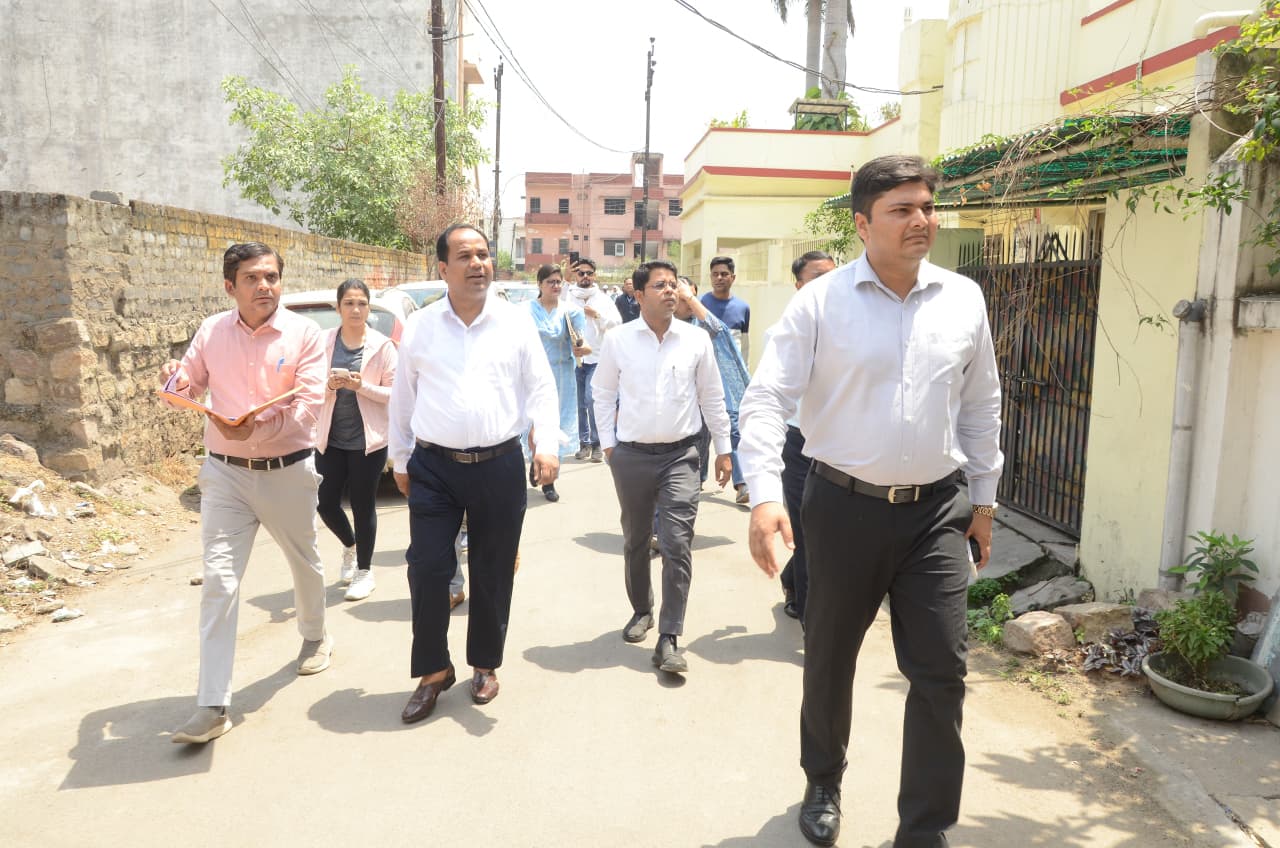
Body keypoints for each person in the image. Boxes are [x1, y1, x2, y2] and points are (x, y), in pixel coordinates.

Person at [738, 155, 1003, 848]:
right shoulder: (820, 303)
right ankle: (823, 780)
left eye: (927, 207)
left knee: (942, 670)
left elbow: (982, 405)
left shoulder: (963, 299)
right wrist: (764, 496)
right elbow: (766, 399)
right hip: (842, 507)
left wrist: (984, 503)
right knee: (830, 657)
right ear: (863, 224)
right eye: (902, 210)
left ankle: (925, 826)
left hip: (936, 513)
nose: (921, 221)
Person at [159, 242, 330, 745]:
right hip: (225, 476)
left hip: (287, 472)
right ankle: (212, 704)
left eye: (271, 277)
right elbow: (186, 387)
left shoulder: (305, 334)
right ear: (229, 286)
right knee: (219, 580)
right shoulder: (212, 331)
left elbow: (309, 405)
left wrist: (261, 426)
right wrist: (173, 384)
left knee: (304, 561)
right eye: (252, 278)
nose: (264, 286)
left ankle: (315, 635)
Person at [389, 224, 559, 724]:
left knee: (492, 569)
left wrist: (547, 445)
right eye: (465, 256)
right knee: (427, 568)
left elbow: (541, 387)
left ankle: (484, 664)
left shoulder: (514, 323)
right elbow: (403, 398)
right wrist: (401, 458)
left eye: (483, 254)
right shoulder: (421, 326)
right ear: (443, 268)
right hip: (434, 467)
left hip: (499, 464)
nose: (478, 263)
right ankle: (433, 670)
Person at [592, 260, 732, 676]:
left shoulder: (695, 340)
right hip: (631, 456)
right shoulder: (618, 340)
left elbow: (712, 396)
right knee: (636, 540)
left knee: (676, 543)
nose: (671, 291)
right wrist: (609, 445)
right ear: (639, 295)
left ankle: (669, 636)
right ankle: (642, 610)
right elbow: (602, 393)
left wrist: (724, 449)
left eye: (674, 284)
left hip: (681, 456)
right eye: (660, 285)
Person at [314, 278, 396, 602]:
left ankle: (364, 571)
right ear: (338, 308)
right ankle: (350, 545)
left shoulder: (382, 346)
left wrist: (362, 386)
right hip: (330, 438)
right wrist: (329, 386)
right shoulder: (323, 343)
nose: (356, 309)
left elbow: (394, 393)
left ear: (368, 308)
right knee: (325, 503)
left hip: (368, 442)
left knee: (363, 505)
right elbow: (307, 386)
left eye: (362, 303)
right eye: (348, 303)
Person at [776, 250, 837, 621]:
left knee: (830, 534)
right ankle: (810, 618)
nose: (829, 283)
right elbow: (769, 400)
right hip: (799, 444)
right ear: (799, 286)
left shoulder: (854, 328)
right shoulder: (784, 332)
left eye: (833, 274)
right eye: (817, 277)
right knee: (804, 529)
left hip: (840, 446)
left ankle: (793, 580)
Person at [672, 276, 750, 499]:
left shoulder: (702, 325)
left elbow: (720, 331)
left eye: (690, 296)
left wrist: (689, 298)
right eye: (682, 298)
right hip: (681, 400)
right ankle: (695, 481)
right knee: (696, 443)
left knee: (730, 432)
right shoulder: (665, 327)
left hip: (713, 394)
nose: (687, 302)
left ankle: (741, 483)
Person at [527, 263, 591, 501]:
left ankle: (549, 480)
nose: (555, 286)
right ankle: (536, 460)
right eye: (550, 282)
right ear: (539, 284)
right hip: (531, 376)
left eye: (558, 282)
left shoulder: (571, 312)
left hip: (562, 377)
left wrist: (581, 348)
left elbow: (583, 343)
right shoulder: (525, 311)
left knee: (556, 425)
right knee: (531, 424)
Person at [565, 257, 620, 461]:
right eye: (581, 273)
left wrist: (596, 315)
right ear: (576, 275)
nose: (585, 276)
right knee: (579, 404)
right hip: (574, 359)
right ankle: (584, 443)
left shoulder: (603, 299)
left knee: (591, 399)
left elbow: (617, 324)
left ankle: (597, 443)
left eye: (589, 273)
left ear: (594, 275)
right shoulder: (569, 296)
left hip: (597, 358)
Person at [701, 255, 751, 362]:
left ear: (733, 278)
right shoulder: (700, 304)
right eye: (715, 274)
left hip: (732, 369)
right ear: (710, 277)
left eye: (724, 274)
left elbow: (744, 347)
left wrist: (744, 369)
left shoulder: (743, 308)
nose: (719, 278)